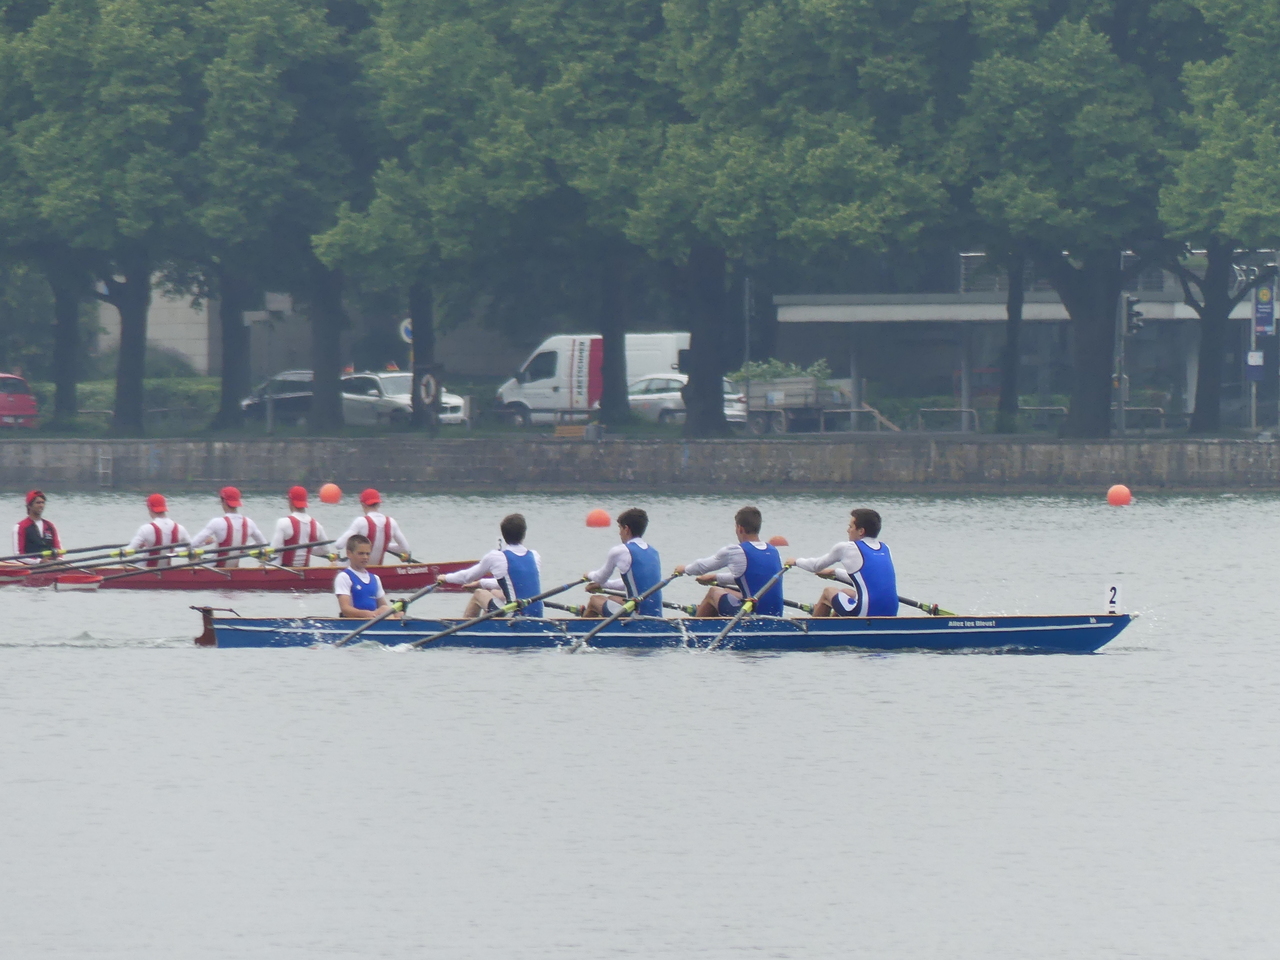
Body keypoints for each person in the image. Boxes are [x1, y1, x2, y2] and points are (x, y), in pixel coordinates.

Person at [675, 505, 784, 618]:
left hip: (750, 615)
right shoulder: (774, 551)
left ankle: (697, 626)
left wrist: (684, 569)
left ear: (740, 528)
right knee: (727, 590)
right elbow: (755, 577)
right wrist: (715, 578)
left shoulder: (736, 551)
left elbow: (702, 566)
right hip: (775, 614)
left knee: (713, 592)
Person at [787, 508, 898, 617]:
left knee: (828, 591)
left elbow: (815, 566)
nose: (847, 530)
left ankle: (813, 628)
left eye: (850, 527)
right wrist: (834, 572)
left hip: (864, 612)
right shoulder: (885, 548)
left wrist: (795, 561)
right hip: (891, 610)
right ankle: (834, 626)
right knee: (846, 592)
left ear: (861, 531)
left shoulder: (846, 547)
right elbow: (869, 577)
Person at [438, 513, 543, 618]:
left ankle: (465, 628)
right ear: (524, 534)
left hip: (514, 615)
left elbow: (467, 577)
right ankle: (489, 625)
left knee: (478, 594)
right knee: (496, 593)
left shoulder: (496, 556)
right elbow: (515, 583)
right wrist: (481, 583)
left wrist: (445, 578)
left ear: (503, 535)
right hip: (537, 614)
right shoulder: (535, 556)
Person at [581, 507, 662, 618]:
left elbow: (600, 577)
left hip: (636, 615)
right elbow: (635, 583)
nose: (619, 533)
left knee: (594, 600)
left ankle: (583, 627)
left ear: (626, 529)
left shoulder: (620, 550)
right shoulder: (654, 552)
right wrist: (602, 585)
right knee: (612, 599)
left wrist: (588, 575)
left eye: (620, 528)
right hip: (656, 614)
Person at [189, 487, 267, 568]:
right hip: (234, 569)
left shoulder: (216, 522)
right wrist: (242, 548)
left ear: (223, 501)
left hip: (215, 568)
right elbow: (263, 543)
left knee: (193, 556)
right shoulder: (249, 522)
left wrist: (204, 543)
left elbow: (192, 544)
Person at [336, 489, 411, 566]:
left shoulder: (360, 521)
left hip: (357, 568)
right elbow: (405, 548)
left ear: (363, 505)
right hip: (377, 569)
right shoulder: (391, 522)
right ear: (379, 504)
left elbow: (339, 545)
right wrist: (383, 545)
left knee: (334, 563)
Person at [335, 534, 398, 619]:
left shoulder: (375, 578)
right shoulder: (344, 577)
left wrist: (397, 611)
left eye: (368, 554)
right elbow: (345, 609)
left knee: (397, 613)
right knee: (385, 609)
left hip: (372, 620)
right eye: (361, 554)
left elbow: (383, 606)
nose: (365, 557)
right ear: (349, 554)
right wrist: (367, 614)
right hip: (355, 621)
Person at [126, 494, 191, 568]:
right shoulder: (180, 528)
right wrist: (172, 551)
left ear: (149, 508)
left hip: (145, 570)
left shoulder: (145, 529)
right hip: (167, 570)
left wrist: (139, 547)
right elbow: (191, 548)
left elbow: (128, 552)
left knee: (128, 563)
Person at [270, 486, 329, 567]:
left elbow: (274, 551)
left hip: (283, 569)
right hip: (305, 570)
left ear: (290, 501)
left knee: (262, 564)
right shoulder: (317, 525)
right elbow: (326, 550)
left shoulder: (283, 522)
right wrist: (306, 549)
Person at [12, 490, 61, 563]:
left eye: (43, 502)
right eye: (38, 503)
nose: (41, 505)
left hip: (52, 564)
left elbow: (59, 549)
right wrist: (39, 561)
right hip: (31, 566)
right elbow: (18, 555)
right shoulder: (20, 527)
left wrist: (59, 560)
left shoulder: (50, 525)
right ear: (29, 506)